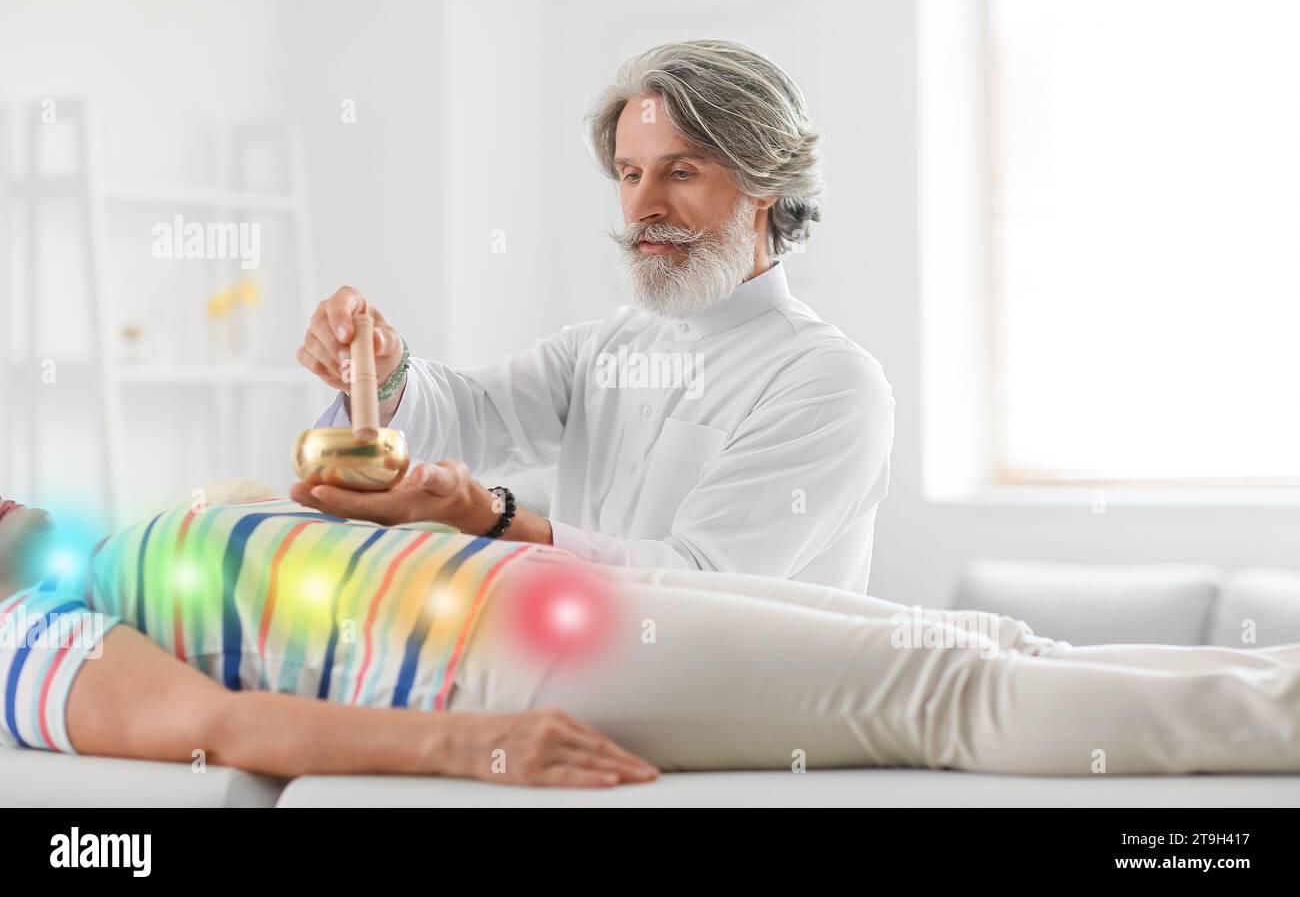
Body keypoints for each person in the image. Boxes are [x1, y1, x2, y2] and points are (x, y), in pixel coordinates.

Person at [4, 491, 1300, 786]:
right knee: (949, 691)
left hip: (519, 598)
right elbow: (212, 723)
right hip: (499, 667)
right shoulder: (20, 645)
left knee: (972, 632)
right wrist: (477, 745)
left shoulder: (84, 547)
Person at [294, 39, 895, 593]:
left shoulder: (829, 383)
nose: (641, 206)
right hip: (587, 689)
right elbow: (472, 415)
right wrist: (388, 369)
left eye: (679, 172)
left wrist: (493, 518)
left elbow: (704, 584)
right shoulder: (606, 347)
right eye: (629, 174)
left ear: (765, 184)